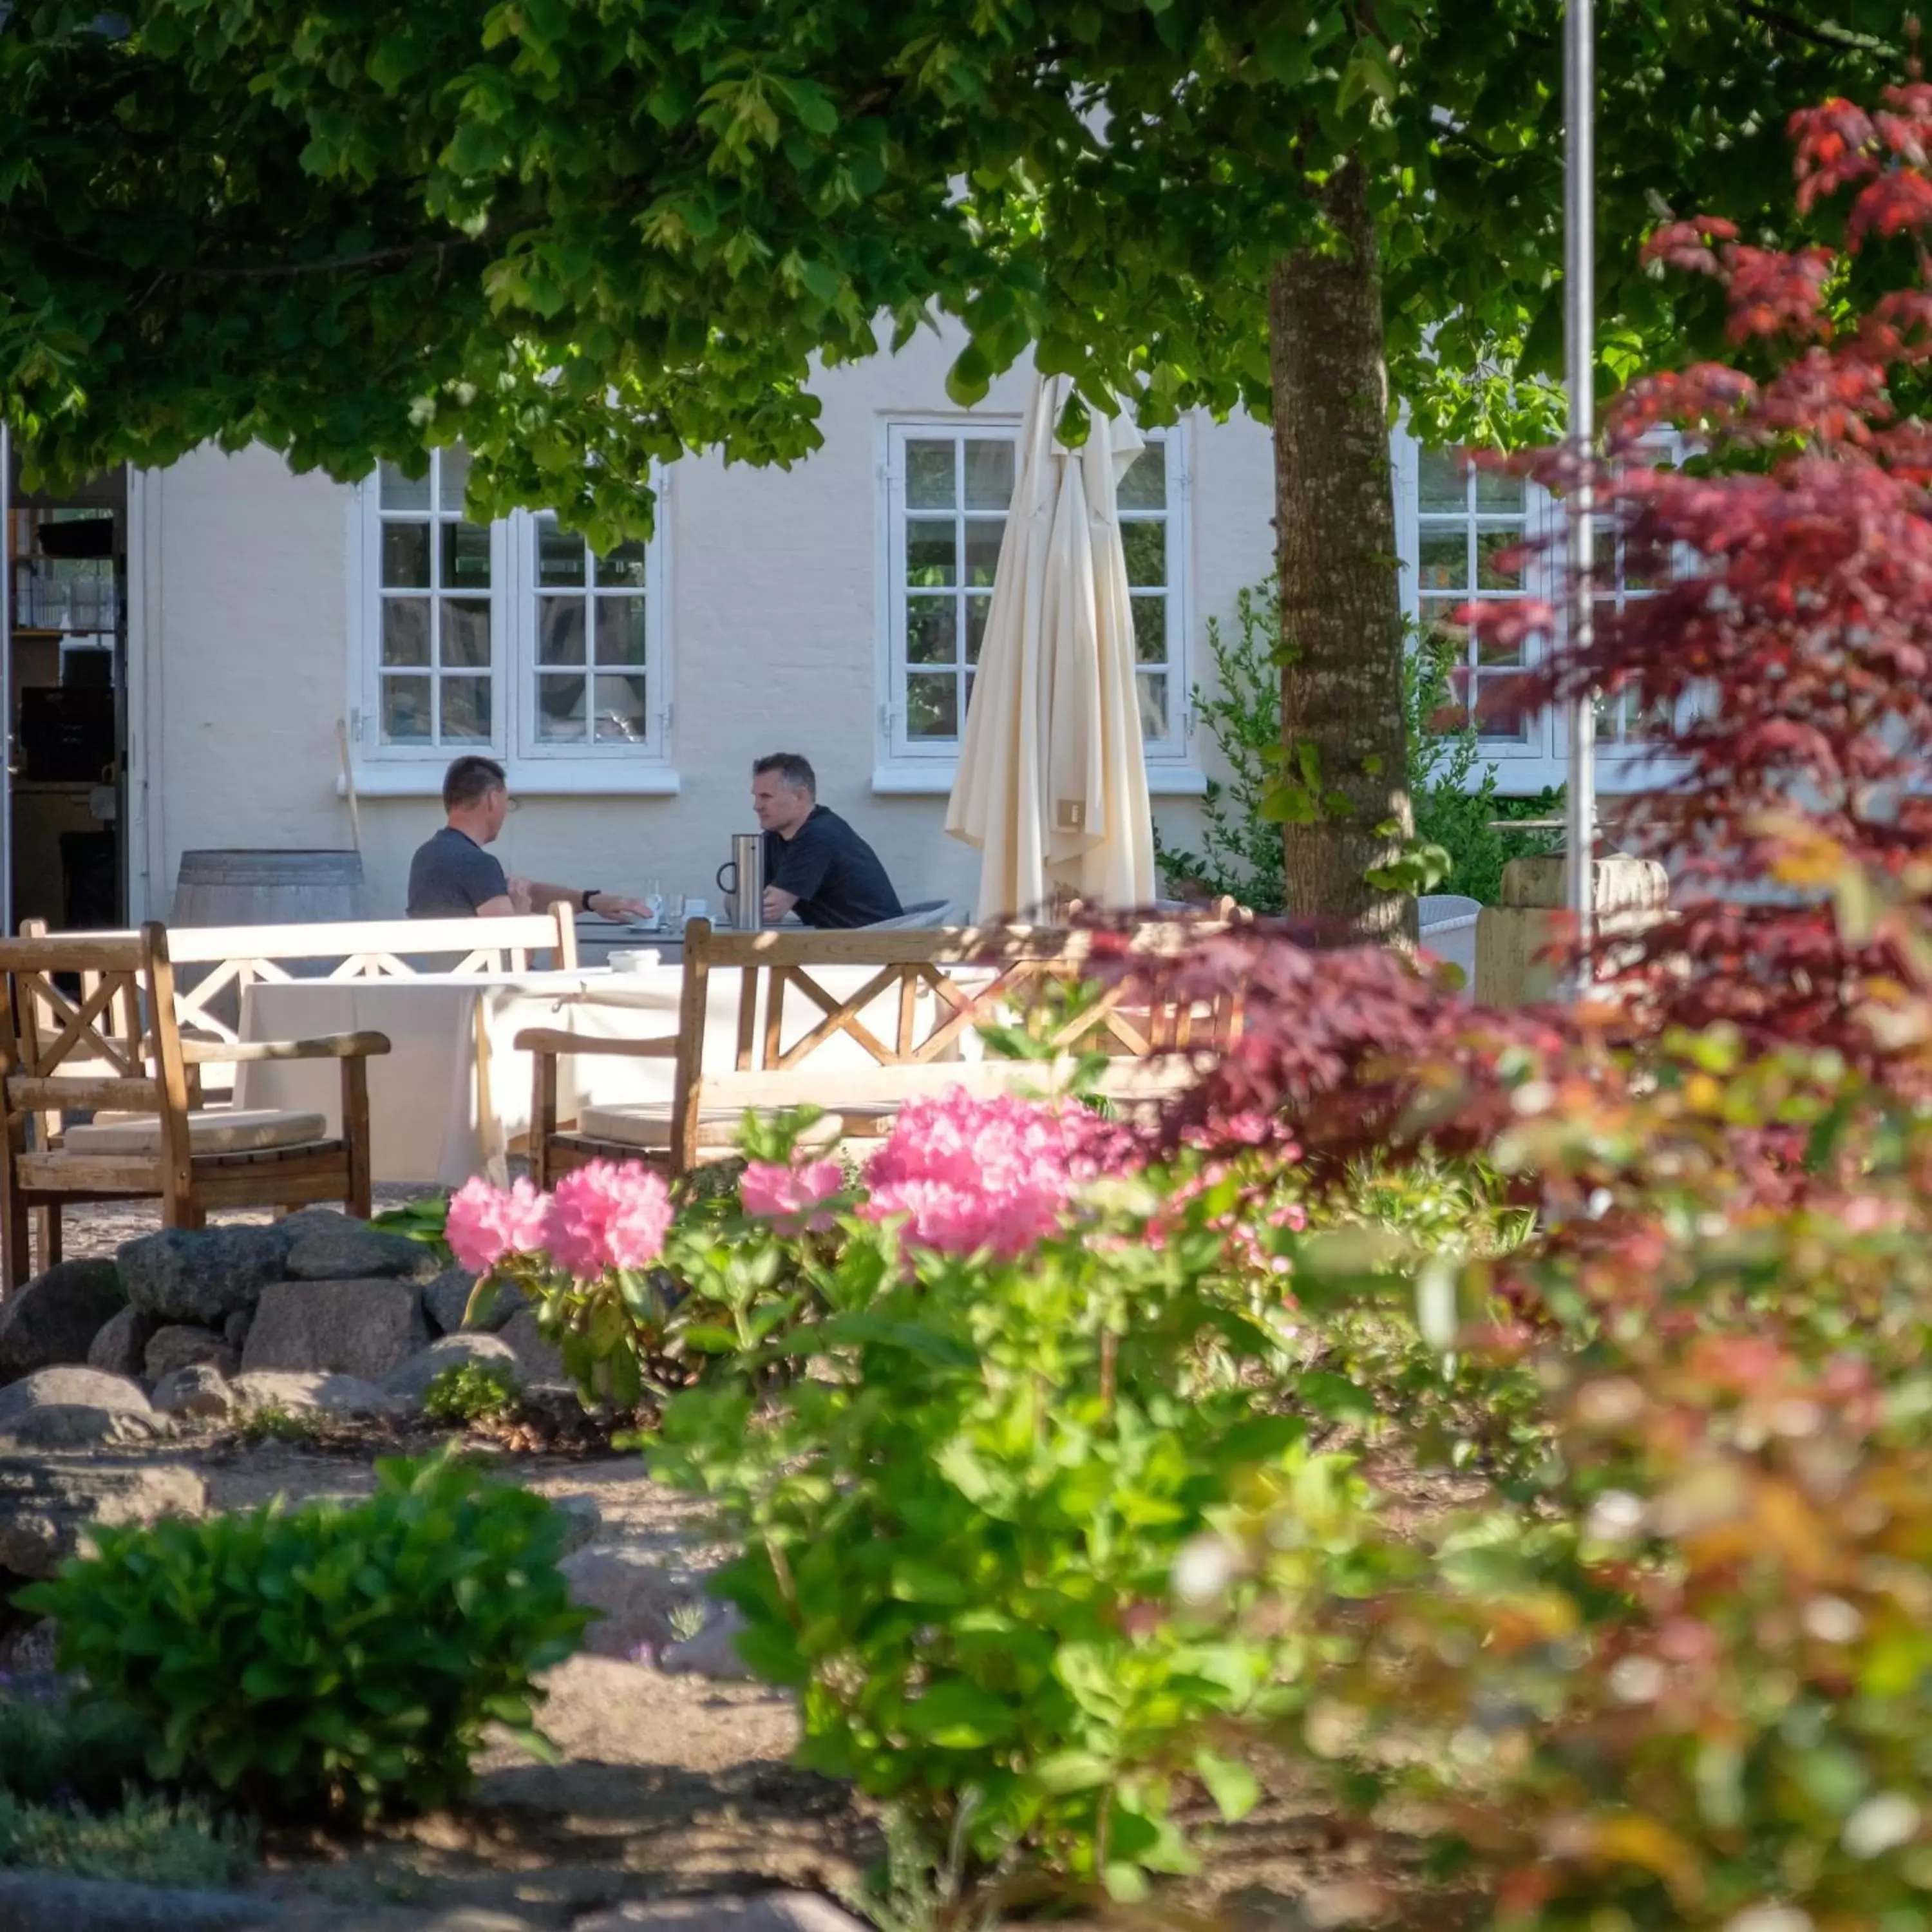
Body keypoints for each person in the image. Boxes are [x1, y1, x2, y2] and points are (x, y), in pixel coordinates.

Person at [407, 755, 646, 920]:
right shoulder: (477, 864)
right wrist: (522, 915)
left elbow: (522, 892)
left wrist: (590, 901)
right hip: (488, 991)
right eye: (507, 802)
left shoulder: (428, 856)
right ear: (492, 799)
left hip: (445, 987)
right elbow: (514, 963)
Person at [752, 753, 903, 929]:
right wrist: (746, 901)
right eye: (756, 797)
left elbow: (770, 911)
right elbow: (739, 903)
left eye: (766, 797)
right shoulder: (774, 837)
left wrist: (748, 901)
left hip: (875, 947)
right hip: (836, 947)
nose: (757, 806)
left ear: (800, 797)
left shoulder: (821, 834)